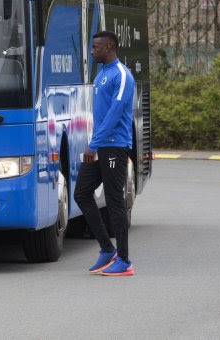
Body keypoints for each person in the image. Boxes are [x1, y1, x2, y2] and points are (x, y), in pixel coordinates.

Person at [74, 30, 135, 276]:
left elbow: (115, 113)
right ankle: (107, 250)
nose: (92, 51)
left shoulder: (122, 75)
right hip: (101, 145)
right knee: (81, 193)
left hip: (114, 146)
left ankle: (125, 261)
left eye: (96, 47)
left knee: (114, 202)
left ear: (108, 48)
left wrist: (94, 144)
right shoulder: (102, 74)